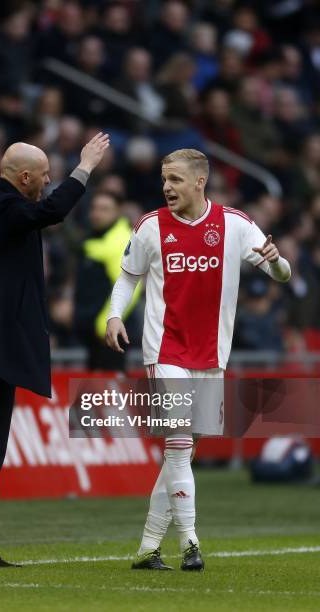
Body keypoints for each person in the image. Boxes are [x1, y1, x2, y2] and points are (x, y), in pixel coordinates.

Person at [105, 149, 291, 571]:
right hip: (165, 349)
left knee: (183, 453)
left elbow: (284, 275)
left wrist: (276, 261)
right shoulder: (151, 226)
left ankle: (148, 548)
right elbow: (128, 277)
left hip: (211, 354)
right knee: (178, 443)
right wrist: (116, 314)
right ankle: (190, 543)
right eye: (164, 179)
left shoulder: (236, 225)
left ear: (199, 181)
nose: (167, 186)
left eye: (174, 179)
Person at [0, 132, 109, 567]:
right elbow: (51, 212)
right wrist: (83, 168)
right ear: (25, 177)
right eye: (46, 175)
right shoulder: (5, 207)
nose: (49, 181)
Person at [73, 190, 140, 370]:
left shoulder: (122, 241)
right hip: (91, 332)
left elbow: (131, 287)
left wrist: (106, 324)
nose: (97, 214)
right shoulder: (93, 239)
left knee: (109, 389)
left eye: (104, 209)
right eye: (94, 208)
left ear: (118, 211)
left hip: (109, 333)